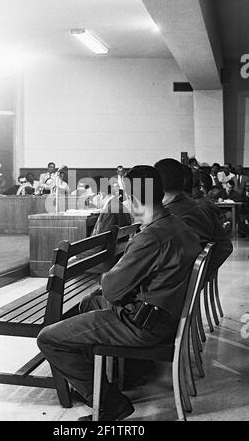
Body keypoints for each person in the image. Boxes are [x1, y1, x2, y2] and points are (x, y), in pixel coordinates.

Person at [37, 165, 202, 421]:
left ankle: (110, 403)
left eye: (125, 196)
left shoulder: (151, 237)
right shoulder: (179, 227)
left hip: (141, 324)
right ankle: (100, 386)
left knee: (48, 338)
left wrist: (108, 277)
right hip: (163, 315)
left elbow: (113, 291)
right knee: (88, 303)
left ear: (135, 199)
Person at [154, 158, 233, 280]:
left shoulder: (170, 215)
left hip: (169, 289)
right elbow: (225, 245)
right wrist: (199, 277)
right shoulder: (197, 206)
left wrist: (197, 278)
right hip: (181, 283)